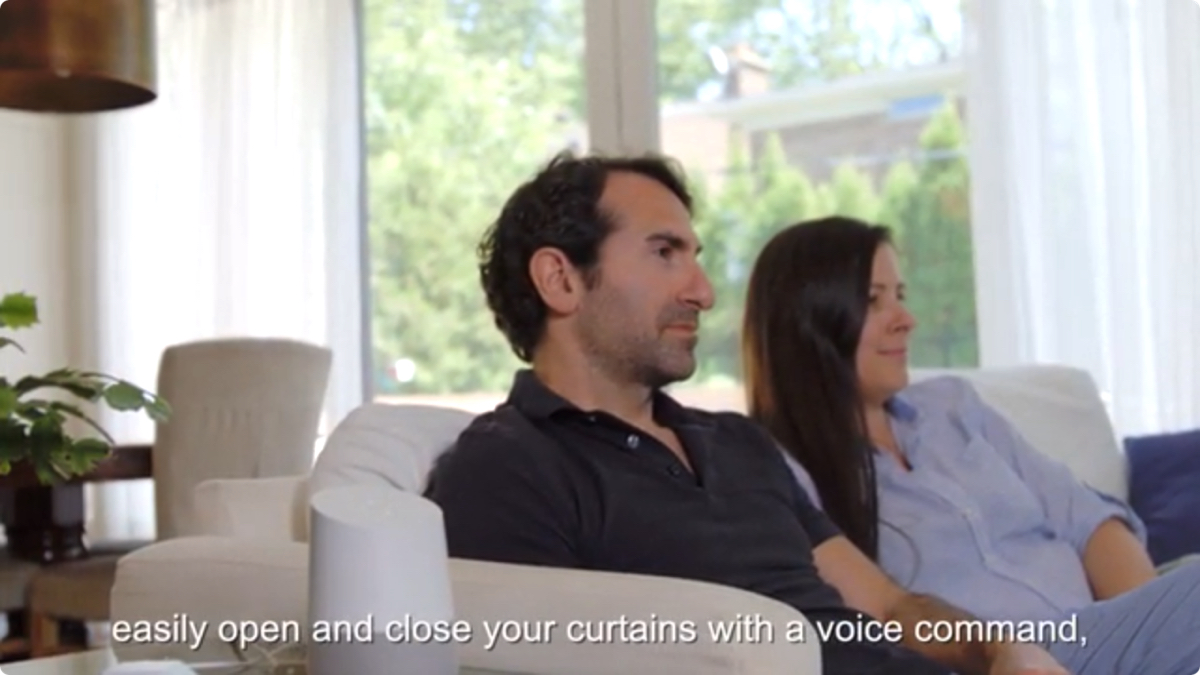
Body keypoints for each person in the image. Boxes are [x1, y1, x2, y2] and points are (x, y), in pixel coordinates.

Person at [426, 152, 1068, 674]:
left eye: (696, 258)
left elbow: (890, 607)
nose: (703, 292)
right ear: (560, 279)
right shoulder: (505, 467)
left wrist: (995, 652)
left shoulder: (737, 442)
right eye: (664, 252)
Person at [739, 215, 1200, 675]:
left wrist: (1146, 630)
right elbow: (862, 622)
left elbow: (1090, 523)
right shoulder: (781, 472)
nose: (906, 320)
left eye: (900, 296)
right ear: (808, 321)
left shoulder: (953, 408)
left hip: (1101, 639)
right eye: (873, 301)